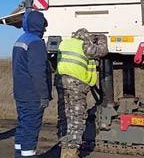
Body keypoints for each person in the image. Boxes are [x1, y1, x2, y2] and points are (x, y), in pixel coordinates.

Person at [55, 28, 107, 158]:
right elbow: (102, 51)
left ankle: (63, 148)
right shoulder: (85, 45)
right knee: (77, 117)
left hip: (61, 83)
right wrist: (101, 38)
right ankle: (71, 152)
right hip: (76, 84)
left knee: (65, 115)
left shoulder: (65, 43)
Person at [12, 10, 52, 157]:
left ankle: (18, 154)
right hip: (32, 96)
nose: (45, 29)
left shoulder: (21, 39)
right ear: (38, 25)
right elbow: (38, 73)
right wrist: (44, 96)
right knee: (30, 132)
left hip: (21, 94)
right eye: (43, 26)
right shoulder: (36, 43)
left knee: (22, 128)